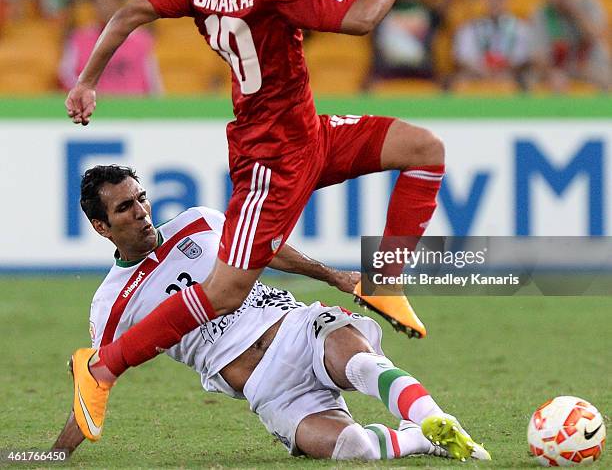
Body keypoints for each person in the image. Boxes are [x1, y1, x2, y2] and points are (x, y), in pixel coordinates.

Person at [64, 0, 445, 442]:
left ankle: (386, 278)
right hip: (272, 159)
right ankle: (102, 367)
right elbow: (363, 19)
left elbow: (130, 13)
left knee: (424, 149)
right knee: (223, 292)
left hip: (308, 133)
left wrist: (88, 79)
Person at [53, 165, 489, 462]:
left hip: (296, 328)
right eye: (125, 208)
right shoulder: (112, 302)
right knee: (352, 447)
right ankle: (421, 439)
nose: (142, 212)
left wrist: (334, 276)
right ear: (101, 227)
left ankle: (438, 419)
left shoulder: (198, 223)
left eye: (141, 198)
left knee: (359, 361)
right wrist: (58, 452)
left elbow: (267, 250)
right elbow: (97, 378)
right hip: (266, 388)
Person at [59, 0, 162, 95]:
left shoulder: (141, 40)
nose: (104, 5)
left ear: (120, 1)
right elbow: (66, 76)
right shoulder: (78, 39)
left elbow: (153, 82)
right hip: (94, 109)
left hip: (133, 108)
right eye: (99, 0)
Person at [531, 0, 610, 92]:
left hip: (592, 64)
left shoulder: (589, 3)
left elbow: (596, 36)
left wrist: (575, 11)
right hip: (561, 68)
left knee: (606, 78)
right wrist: (551, 73)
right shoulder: (542, 13)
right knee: (539, 82)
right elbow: (537, 55)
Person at [453, 0, 531, 87]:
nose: (494, 2)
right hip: (477, 76)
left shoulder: (521, 28)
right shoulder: (468, 29)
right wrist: (484, 72)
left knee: (529, 79)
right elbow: (464, 58)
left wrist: (505, 70)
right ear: (483, 0)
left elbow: (522, 57)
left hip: (511, 76)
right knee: (460, 82)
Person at [371, 0, 445, 81]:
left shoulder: (426, 13)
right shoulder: (383, 14)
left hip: (421, 68)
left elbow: (442, 19)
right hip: (388, 68)